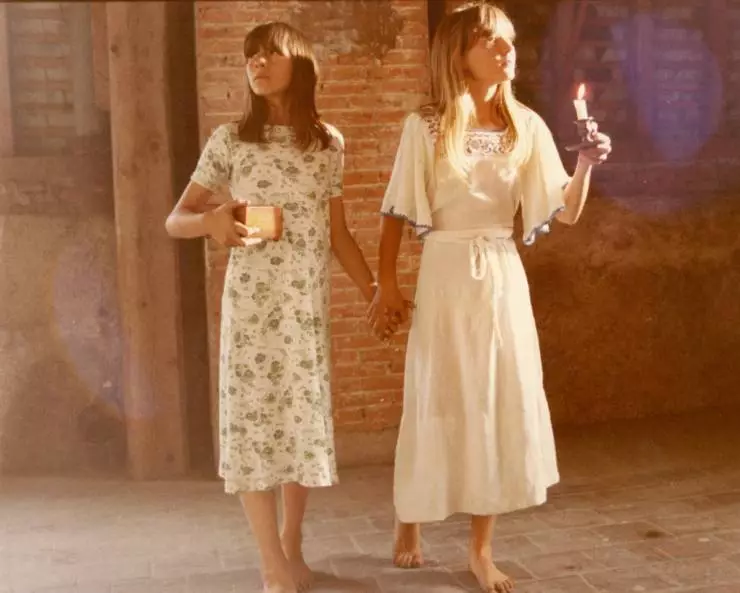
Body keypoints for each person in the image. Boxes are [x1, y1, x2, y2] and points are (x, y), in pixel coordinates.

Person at [367, 2, 612, 592]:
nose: (507, 51)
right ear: (460, 55)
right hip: (446, 273)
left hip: (501, 274)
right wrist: (389, 285)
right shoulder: (426, 126)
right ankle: (410, 515)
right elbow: (395, 212)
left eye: (509, 41)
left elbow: (566, 211)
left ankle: (481, 549)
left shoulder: (526, 126)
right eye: (491, 42)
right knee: (437, 395)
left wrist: (584, 164)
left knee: (496, 399)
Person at [165, 22, 375, 593]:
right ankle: (270, 566)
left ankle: (291, 547)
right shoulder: (231, 141)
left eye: (269, 54)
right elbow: (175, 219)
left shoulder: (327, 143)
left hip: (304, 313)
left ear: (299, 63)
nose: (256, 63)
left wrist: (374, 291)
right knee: (255, 429)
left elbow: (338, 234)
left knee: (298, 428)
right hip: (252, 314)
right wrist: (211, 222)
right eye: (249, 56)